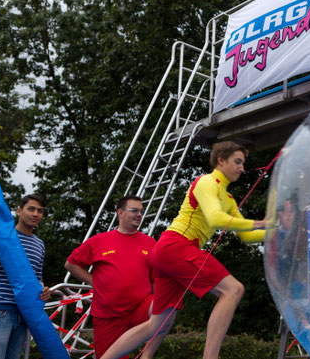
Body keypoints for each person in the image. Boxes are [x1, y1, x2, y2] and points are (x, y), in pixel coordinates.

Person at [102, 141, 266, 359]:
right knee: (233, 290)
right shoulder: (206, 182)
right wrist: (262, 223)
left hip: (168, 252)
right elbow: (215, 217)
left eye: (243, 163)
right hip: (176, 246)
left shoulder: (227, 199)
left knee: (155, 325)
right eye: (237, 162)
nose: (241, 168)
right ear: (220, 160)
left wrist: (277, 231)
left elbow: (248, 236)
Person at [64, 195, 160, 359]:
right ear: (120, 213)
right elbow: (71, 264)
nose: (139, 215)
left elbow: (154, 280)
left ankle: (147, 355)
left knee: (167, 304)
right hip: (109, 315)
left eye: (141, 211)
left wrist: (161, 300)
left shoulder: (150, 243)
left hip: (139, 310)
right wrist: (93, 281)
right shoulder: (99, 241)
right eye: (134, 210)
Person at [0, 195, 52, 359]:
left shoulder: (39, 244)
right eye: (31, 209)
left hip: (25, 312)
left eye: (40, 211)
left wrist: (43, 289)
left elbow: (37, 276)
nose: (36, 214)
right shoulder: (1, 237)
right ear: (19, 211)